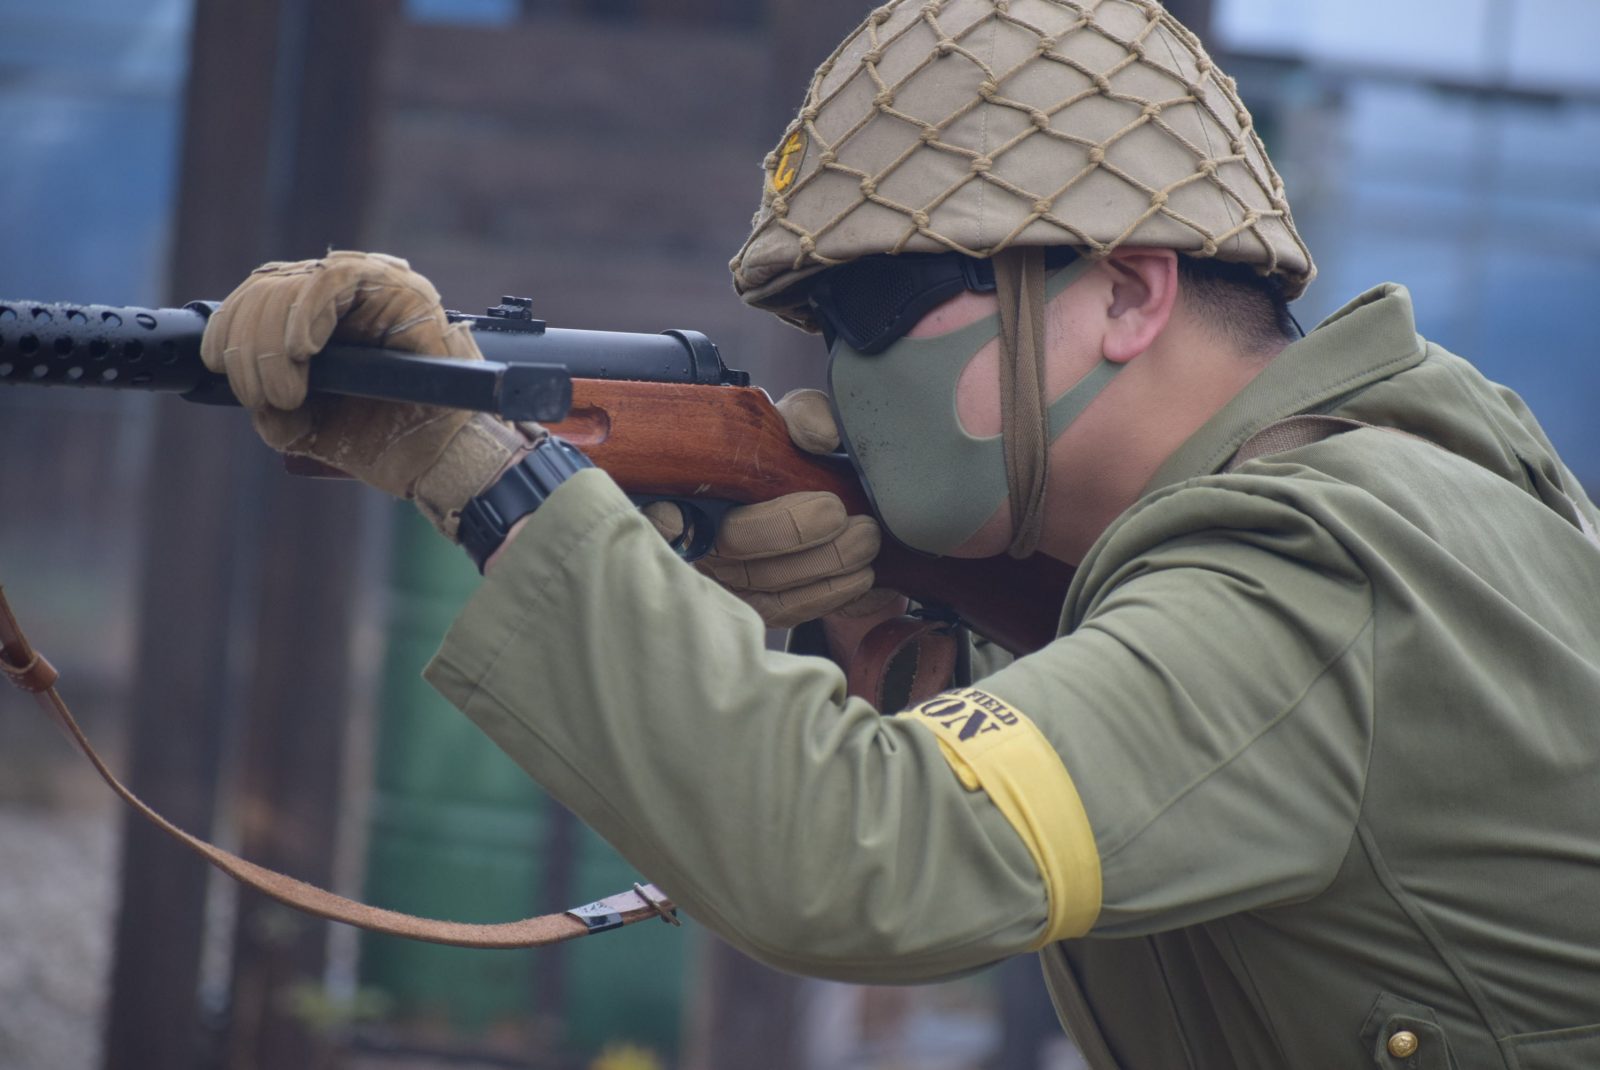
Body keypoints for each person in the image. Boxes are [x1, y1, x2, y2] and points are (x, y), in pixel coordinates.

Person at [199, 1, 1600, 1067]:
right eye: (821, 321)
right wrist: (889, 635)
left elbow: (857, 856)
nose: (845, 369)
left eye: (880, 307)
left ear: (1129, 293)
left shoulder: (1311, 570)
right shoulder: (1404, 487)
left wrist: (490, 471)